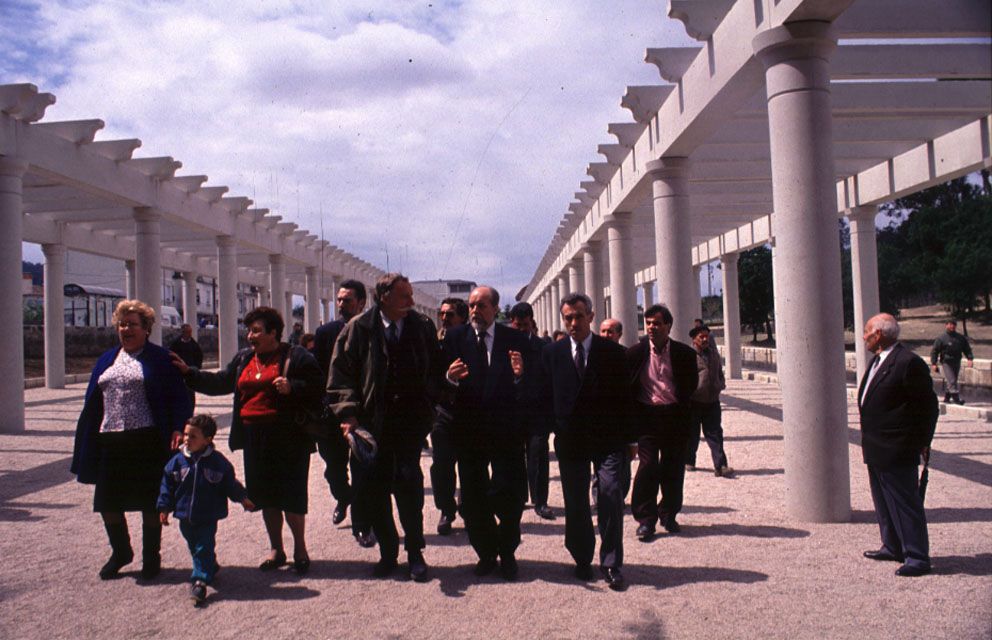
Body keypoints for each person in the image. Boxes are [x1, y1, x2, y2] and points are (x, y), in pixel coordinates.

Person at [172, 306, 323, 575]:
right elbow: (220, 382)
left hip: (288, 437)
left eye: (256, 331)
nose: (250, 336)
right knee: (264, 496)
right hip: (254, 437)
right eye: (248, 331)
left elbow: (319, 389)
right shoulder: (244, 359)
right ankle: (276, 549)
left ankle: (300, 548)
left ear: (273, 332)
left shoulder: (296, 356)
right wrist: (189, 373)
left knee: (292, 495)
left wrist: (292, 388)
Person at [327, 273, 440, 582]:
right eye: (405, 296)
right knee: (375, 493)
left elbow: (435, 370)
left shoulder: (422, 326)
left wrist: (428, 407)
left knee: (409, 490)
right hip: (371, 428)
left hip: (409, 426)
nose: (411, 302)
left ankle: (415, 553)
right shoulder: (358, 329)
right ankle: (388, 553)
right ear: (384, 297)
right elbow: (340, 377)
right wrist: (348, 415)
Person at [71, 299, 192, 580]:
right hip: (111, 439)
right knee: (107, 502)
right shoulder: (107, 359)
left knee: (149, 501)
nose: (126, 329)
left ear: (146, 329)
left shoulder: (161, 358)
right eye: (122, 324)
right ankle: (121, 552)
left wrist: (178, 428)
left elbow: (181, 397)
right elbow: (94, 399)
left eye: (132, 324)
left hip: (146, 440)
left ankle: (152, 556)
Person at [541, 293, 631, 591]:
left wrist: (629, 440)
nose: (573, 322)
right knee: (576, 502)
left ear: (591, 316)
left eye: (579, 316)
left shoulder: (613, 353)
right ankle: (581, 557)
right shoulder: (552, 354)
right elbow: (545, 397)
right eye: (568, 317)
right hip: (571, 440)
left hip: (607, 439)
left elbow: (625, 399)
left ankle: (611, 562)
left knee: (610, 492)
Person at [442, 285, 528, 580]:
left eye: (481, 305)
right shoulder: (454, 338)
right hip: (469, 433)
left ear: (495, 308)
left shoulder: (515, 339)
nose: (475, 311)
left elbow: (531, 387)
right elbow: (438, 386)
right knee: (473, 499)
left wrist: (520, 378)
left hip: (506, 433)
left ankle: (508, 552)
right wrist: (449, 380)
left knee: (509, 495)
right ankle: (486, 552)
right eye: (472, 305)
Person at [859, 313, 938, 577]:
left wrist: (922, 442)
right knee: (882, 500)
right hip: (876, 445)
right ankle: (892, 545)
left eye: (867, 331)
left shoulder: (908, 363)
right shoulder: (878, 361)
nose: (864, 336)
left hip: (898, 446)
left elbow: (927, 407)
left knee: (905, 502)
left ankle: (916, 555)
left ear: (879, 334)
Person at [157, 414, 255, 606]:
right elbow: (166, 486)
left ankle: (200, 581)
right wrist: (164, 507)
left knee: (203, 545)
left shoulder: (218, 462)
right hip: (185, 514)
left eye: (193, 436)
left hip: (207, 514)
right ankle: (209, 564)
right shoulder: (177, 461)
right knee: (194, 545)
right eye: (186, 435)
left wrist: (242, 498)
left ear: (208, 439)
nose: (187, 439)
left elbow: (229, 484)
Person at [627, 304, 698, 540]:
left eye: (656, 323)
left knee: (673, 467)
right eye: (648, 323)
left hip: (674, 417)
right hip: (647, 418)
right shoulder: (635, 354)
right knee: (647, 466)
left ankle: (668, 513)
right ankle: (645, 519)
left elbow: (690, 386)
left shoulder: (685, 354)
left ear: (668, 325)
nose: (651, 328)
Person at [312, 279, 374, 547]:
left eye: (346, 300)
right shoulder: (326, 332)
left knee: (361, 468)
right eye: (339, 299)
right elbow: (317, 372)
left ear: (361, 302)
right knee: (333, 468)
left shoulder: (372, 331)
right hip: (330, 412)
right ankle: (343, 497)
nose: (341, 305)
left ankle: (361, 524)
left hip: (362, 412)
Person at [508, 301, 555, 521]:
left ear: (531, 323)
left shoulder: (543, 347)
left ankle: (540, 501)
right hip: (513, 412)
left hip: (537, 412)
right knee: (515, 457)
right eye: (518, 326)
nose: (522, 329)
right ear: (511, 323)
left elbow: (550, 382)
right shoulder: (502, 347)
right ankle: (518, 497)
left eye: (525, 325)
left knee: (538, 455)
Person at [431, 297, 469, 535]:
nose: (444, 319)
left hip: (469, 414)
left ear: (462, 318)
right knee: (442, 465)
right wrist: (447, 378)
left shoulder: (472, 342)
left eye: (450, 314)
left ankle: (468, 507)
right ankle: (446, 509)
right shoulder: (435, 344)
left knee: (470, 464)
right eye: (442, 314)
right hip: (443, 412)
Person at [685, 325, 732, 477]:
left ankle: (721, 465)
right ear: (694, 339)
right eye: (701, 337)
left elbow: (719, 371)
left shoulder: (713, 354)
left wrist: (720, 384)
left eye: (707, 336)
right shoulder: (689, 356)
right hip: (694, 402)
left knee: (715, 433)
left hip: (712, 401)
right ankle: (689, 460)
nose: (705, 339)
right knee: (692, 434)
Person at [930, 319, 974, 405]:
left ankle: (947, 397)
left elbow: (967, 349)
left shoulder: (960, 338)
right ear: (946, 325)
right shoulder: (941, 338)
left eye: (954, 324)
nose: (952, 326)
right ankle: (956, 398)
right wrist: (934, 363)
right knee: (952, 380)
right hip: (946, 362)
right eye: (950, 324)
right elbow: (934, 351)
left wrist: (970, 359)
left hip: (957, 361)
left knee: (952, 380)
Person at [169, 323, 204, 410]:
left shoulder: (194, 345)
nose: (189, 334)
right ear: (182, 332)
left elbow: (199, 357)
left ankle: (190, 411)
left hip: (190, 372)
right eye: (187, 332)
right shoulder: (175, 344)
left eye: (190, 332)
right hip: (178, 374)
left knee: (190, 394)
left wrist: (196, 368)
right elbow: (170, 355)